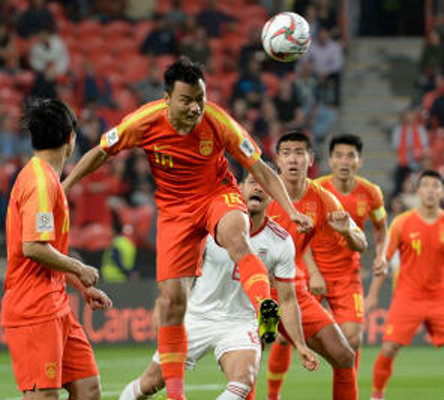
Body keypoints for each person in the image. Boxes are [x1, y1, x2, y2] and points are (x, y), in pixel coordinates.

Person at [61, 57, 312, 400]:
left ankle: (263, 306)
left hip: (217, 195)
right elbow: (101, 152)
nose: (196, 107)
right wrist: (66, 185)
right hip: (174, 212)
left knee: (237, 239)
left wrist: (290, 210)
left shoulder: (218, 120)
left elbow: (260, 168)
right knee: (173, 302)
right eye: (187, 100)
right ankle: (176, 396)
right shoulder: (144, 122)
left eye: (201, 98)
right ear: (167, 99)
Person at [118, 172, 319, 400]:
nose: (259, 188)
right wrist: (163, 303)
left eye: (265, 185)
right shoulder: (212, 226)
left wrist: (300, 345)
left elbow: (287, 299)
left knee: (244, 380)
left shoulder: (281, 241)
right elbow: (181, 271)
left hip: (240, 322)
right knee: (150, 383)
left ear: (273, 195)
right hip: (196, 316)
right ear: (240, 188)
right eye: (253, 182)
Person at [2, 98, 112, 400]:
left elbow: (47, 250)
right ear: (70, 138)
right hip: (33, 309)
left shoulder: (47, 178)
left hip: (56, 304)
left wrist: (79, 285)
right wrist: (80, 268)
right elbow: (33, 247)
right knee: (44, 396)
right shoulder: (40, 182)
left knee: (88, 388)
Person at [266, 132, 366, 400]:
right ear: (277, 160)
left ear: (310, 159)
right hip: (250, 291)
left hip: (291, 293)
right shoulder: (262, 192)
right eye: (286, 153)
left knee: (345, 355)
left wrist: (346, 232)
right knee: (248, 356)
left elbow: (361, 243)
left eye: (299, 152)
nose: (293, 159)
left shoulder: (322, 198)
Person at [368, 170, 444, 400]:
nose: (430, 190)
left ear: (442, 191)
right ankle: (377, 396)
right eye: (425, 185)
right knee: (388, 348)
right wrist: (373, 295)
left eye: (435, 186)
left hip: (439, 295)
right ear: (418, 191)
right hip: (407, 295)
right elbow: (384, 261)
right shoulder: (401, 222)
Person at [313, 134, 388, 371]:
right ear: (330, 160)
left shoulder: (371, 193)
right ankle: (274, 394)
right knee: (284, 338)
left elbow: (381, 228)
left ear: (359, 161)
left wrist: (381, 254)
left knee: (354, 339)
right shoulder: (316, 189)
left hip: (347, 274)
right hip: (313, 271)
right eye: (339, 155)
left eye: (350, 156)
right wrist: (313, 272)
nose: (344, 161)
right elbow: (300, 234)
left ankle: (348, 391)